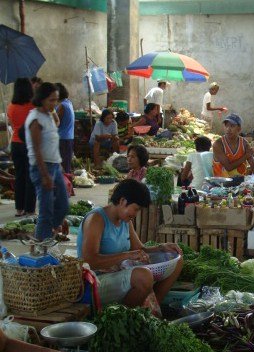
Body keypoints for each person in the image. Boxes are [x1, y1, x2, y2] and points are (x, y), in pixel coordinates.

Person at [77, 179, 183, 307]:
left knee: (177, 260)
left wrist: (162, 247)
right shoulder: (96, 219)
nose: (136, 214)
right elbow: (89, 261)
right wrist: (127, 255)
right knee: (143, 276)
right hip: (93, 282)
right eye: (136, 209)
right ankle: (123, 316)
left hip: (116, 274)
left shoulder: (125, 222)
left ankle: (152, 310)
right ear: (123, 201)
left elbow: (140, 249)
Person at [25, 82, 69, 241]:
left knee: (63, 205)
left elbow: (56, 126)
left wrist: (59, 164)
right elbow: (37, 150)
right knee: (46, 210)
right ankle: (42, 244)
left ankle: (48, 233)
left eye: (56, 100)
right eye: (51, 100)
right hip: (41, 167)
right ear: (42, 99)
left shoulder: (48, 115)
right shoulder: (35, 119)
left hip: (54, 166)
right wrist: (44, 175)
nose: (55, 104)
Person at [7, 78, 36, 217]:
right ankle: (30, 209)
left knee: (19, 177)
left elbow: (13, 126)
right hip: (29, 143)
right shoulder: (32, 106)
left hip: (15, 143)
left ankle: (19, 209)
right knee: (30, 177)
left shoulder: (11, 106)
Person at [213, 113, 254, 179]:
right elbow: (228, 167)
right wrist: (245, 156)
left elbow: (252, 164)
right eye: (226, 126)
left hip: (240, 183)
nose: (228, 129)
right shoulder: (218, 144)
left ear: (239, 128)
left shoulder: (244, 143)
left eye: (232, 126)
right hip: (221, 185)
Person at [55, 82, 75, 175]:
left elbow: (56, 123)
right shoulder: (68, 102)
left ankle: (66, 185)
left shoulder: (61, 106)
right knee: (66, 164)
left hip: (62, 138)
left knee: (63, 165)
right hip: (68, 137)